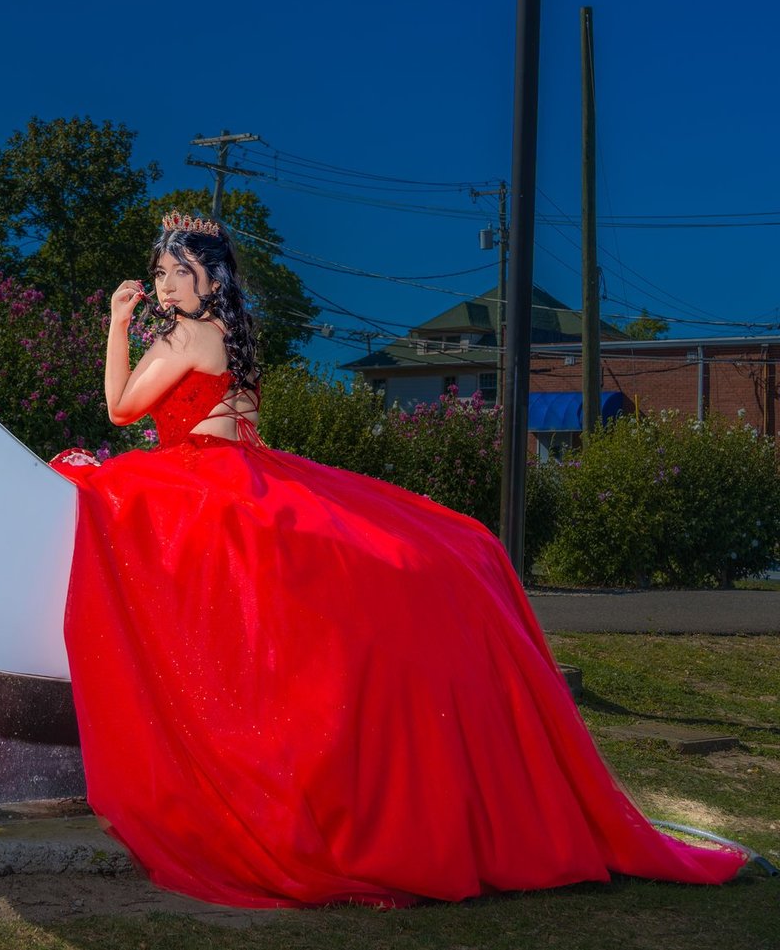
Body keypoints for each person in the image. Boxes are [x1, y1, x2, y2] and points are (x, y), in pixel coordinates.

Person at [48, 209, 765, 911]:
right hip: (249, 473)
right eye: (161, 273)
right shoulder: (233, 335)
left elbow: (119, 407)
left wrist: (116, 322)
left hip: (206, 477)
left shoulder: (183, 337)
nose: (165, 284)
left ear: (211, 279)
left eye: (179, 271)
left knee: (106, 498)